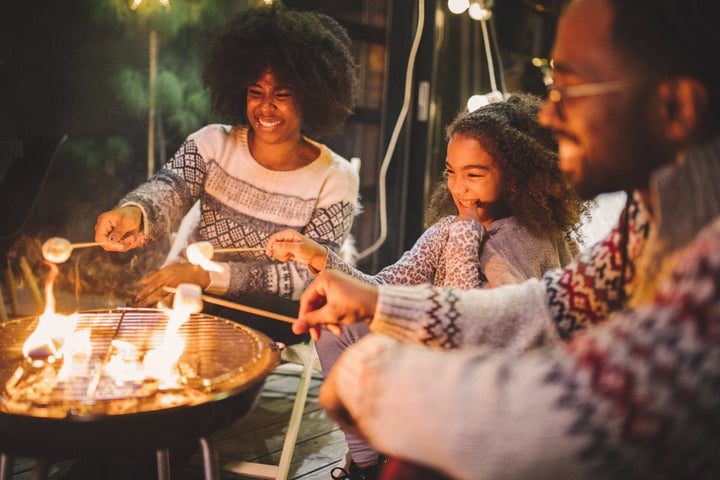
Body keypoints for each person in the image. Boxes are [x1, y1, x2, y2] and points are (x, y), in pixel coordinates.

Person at [292, 0, 720, 478]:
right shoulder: (649, 219)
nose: (551, 118)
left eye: (571, 89)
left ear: (676, 106)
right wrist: (382, 304)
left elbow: (592, 410)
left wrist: (375, 379)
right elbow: (548, 306)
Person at [266, 94, 586, 479]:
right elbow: (382, 288)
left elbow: (473, 336)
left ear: (517, 175)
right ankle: (367, 465)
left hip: (488, 391)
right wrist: (319, 258)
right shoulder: (448, 229)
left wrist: (466, 239)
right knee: (334, 327)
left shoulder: (526, 241)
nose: (459, 188)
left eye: (474, 174)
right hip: (431, 352)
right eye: (451, 172)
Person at [93, 4, 360, 346]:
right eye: (256, 92)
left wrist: (207, 276)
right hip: (194, 295)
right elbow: (169, 190)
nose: (266, 107)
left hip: (273, 315)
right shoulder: (213, 143)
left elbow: (303, 276)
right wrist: (133, 212)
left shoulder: (336, 177)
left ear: (311, 97)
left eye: (282, 95)